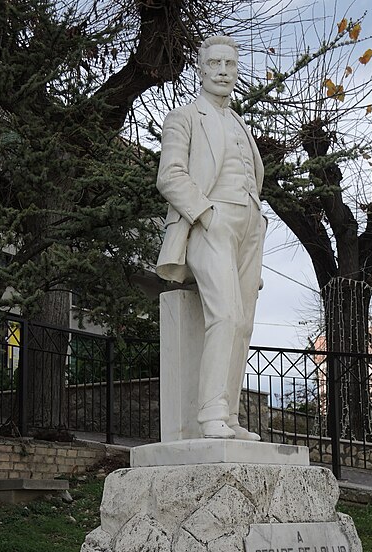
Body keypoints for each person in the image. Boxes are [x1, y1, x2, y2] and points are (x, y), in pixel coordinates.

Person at [156, 35, 266, 440]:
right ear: (201, 69)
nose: (223, 70)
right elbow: (169, 175)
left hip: (250, 224)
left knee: (245, 324)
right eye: (215, 63)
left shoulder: (239, 123)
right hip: (210, 221)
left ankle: (231, 417)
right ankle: (210, 413)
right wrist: (207, 213)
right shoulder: (184, 117)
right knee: (226, 315)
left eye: (230, 64)